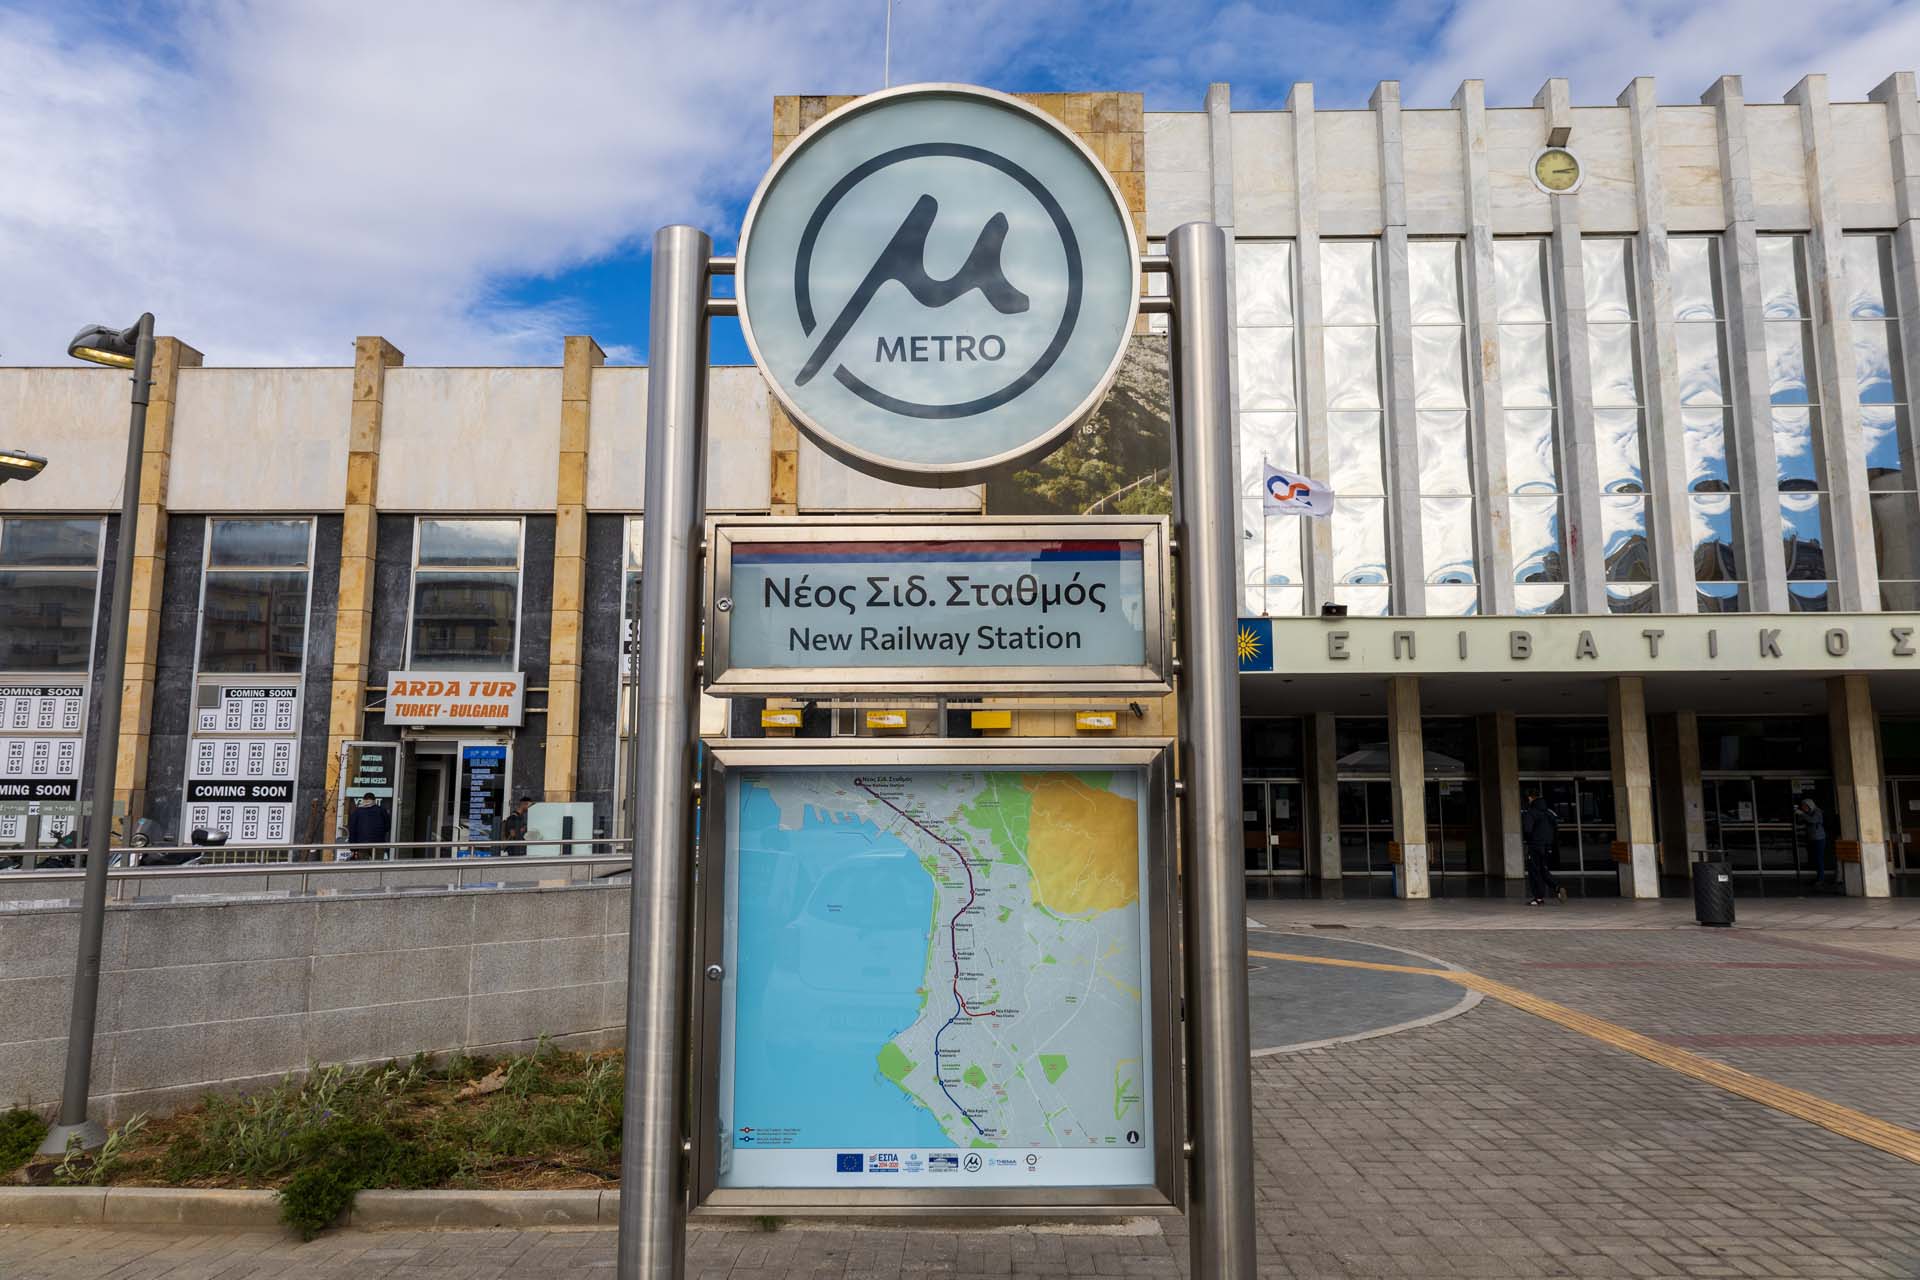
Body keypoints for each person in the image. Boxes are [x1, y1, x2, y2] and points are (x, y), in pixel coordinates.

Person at [1520, 791, 1567, 906]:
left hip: (1535, 845)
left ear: (1531, 798)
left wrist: (1528, 840)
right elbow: (1556, 830)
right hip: (1547, 846)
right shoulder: (1549, 812)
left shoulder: (1531, 812)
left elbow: (1527, 830)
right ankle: (1557, 888)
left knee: (1534, 871)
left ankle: (1538, 898)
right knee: (1543, 869)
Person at [345, 792, 391, 860]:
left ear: (363, 800)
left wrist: (353, 847)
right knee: (378, 865)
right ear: (374, 801)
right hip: (378, 843)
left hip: (362, 844)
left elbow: (352, 830)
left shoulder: (357, 812)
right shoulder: (381, 810)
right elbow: (387, 827)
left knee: (364, 866)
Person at [1798, 796, 1829, 888]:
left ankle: (1821, 879)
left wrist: (1802, 814)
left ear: (1809, 805)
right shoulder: (1807, 813)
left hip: (1819, 839)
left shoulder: (1817, 812)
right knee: (1815, 859)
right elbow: (1800, 822)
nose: (1803, 808)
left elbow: (1813, 820)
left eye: (1804, 806)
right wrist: (1801, 815)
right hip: (1812, 838)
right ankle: (1818, 877)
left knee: (1819, 859)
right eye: (1802, 806)